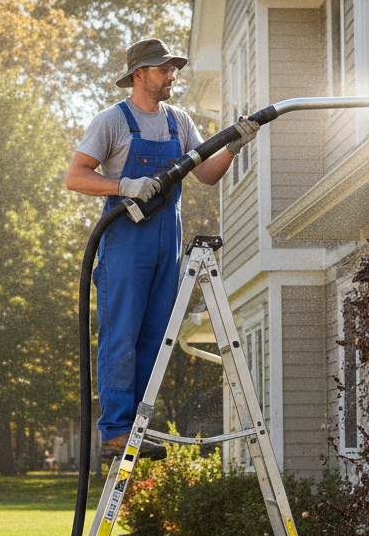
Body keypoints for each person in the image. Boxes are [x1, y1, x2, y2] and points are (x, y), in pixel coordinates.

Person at [66, 37, 259, 459]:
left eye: (173, 68)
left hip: (166, 232)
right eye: (164, 69)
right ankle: (116, 428)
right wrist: (124, 185)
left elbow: (206, 175)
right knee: (122, 333)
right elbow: (76, 177)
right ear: (139, 75)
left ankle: (137, 426)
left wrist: (232, 147)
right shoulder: (111, 121)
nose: (173, 75)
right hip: (124, 236)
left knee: (157, 335)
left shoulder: (179, 121)